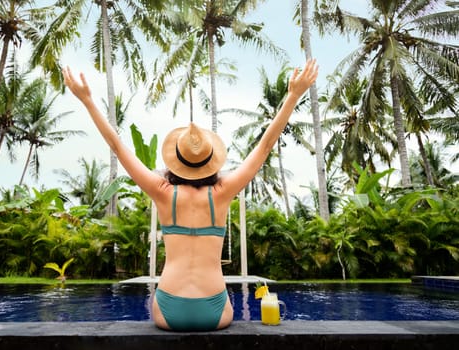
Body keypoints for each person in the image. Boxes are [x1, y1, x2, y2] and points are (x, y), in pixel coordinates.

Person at [62, 59, 318, 331]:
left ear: (177, 160)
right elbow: (265, 146)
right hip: (215, 311)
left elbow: (117, 145)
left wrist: (88, 100)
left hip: (169, 312)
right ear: (211, 160)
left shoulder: (161, 192)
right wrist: (293, 95)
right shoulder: (222, 192)